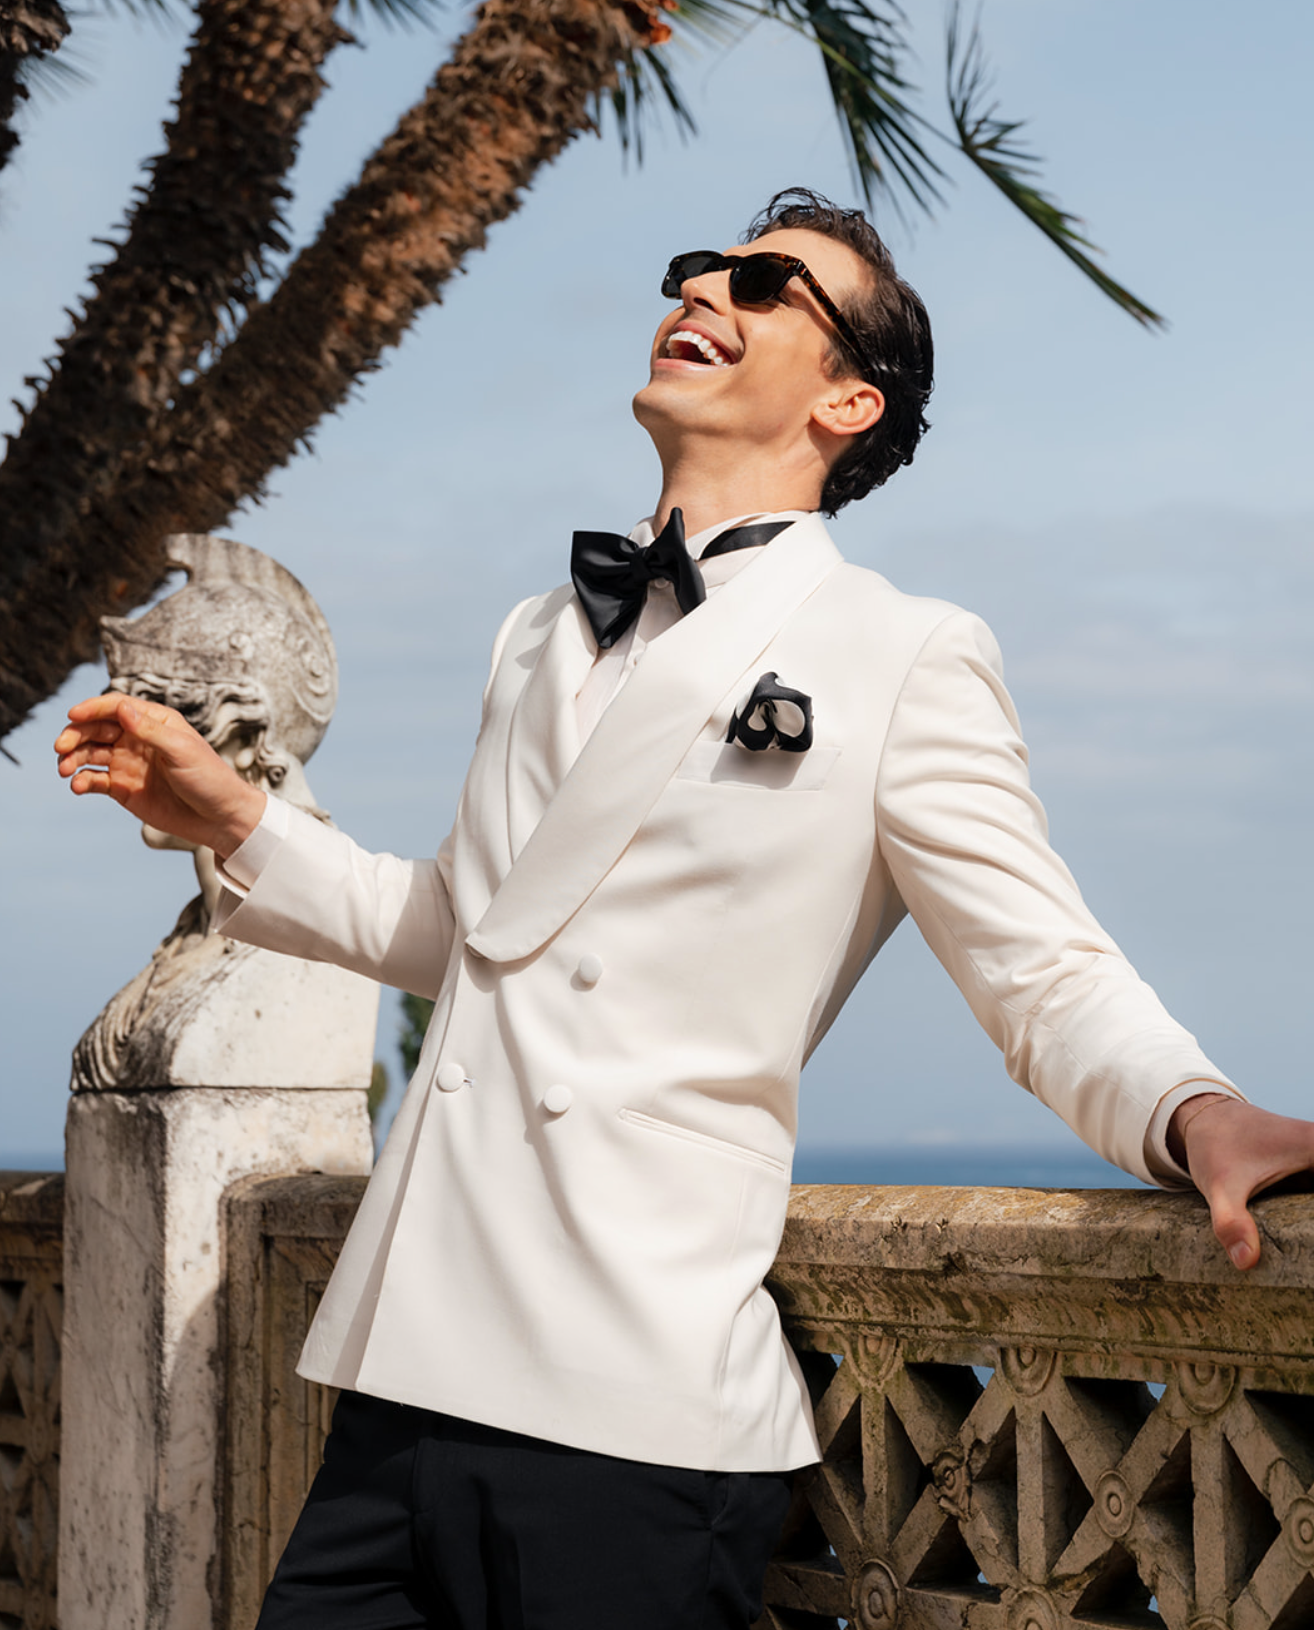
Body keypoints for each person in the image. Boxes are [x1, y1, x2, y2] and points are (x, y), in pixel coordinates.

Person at [55, 188, 1314, 1630]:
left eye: (766, 283)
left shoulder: (902, 653)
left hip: (632, 1414)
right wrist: (233, 819)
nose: (705, 289)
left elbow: (1040, 970)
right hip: (397, 1380)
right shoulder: (537, 633)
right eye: (694, 269)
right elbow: (481, 936)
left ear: (851, 399)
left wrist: (1193, 1111)